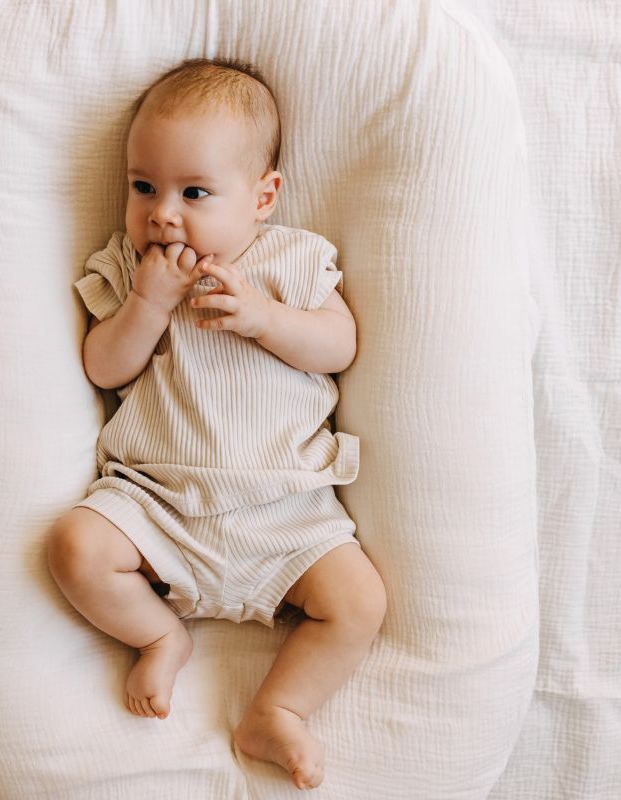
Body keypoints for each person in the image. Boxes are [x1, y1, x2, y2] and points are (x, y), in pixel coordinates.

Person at [46, 58, 386, 790]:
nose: (162, 213)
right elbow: (105, 368)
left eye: (194, 192)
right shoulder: (126, 268)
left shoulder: (289, 259)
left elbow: (342, 344)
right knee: (74, 546)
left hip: (284, 510)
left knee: (359, 603)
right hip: (157, 503)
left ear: (262, 197)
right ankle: (158, 633)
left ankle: (279, 710)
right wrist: (147, 305)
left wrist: (265, 319)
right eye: (144, 187)